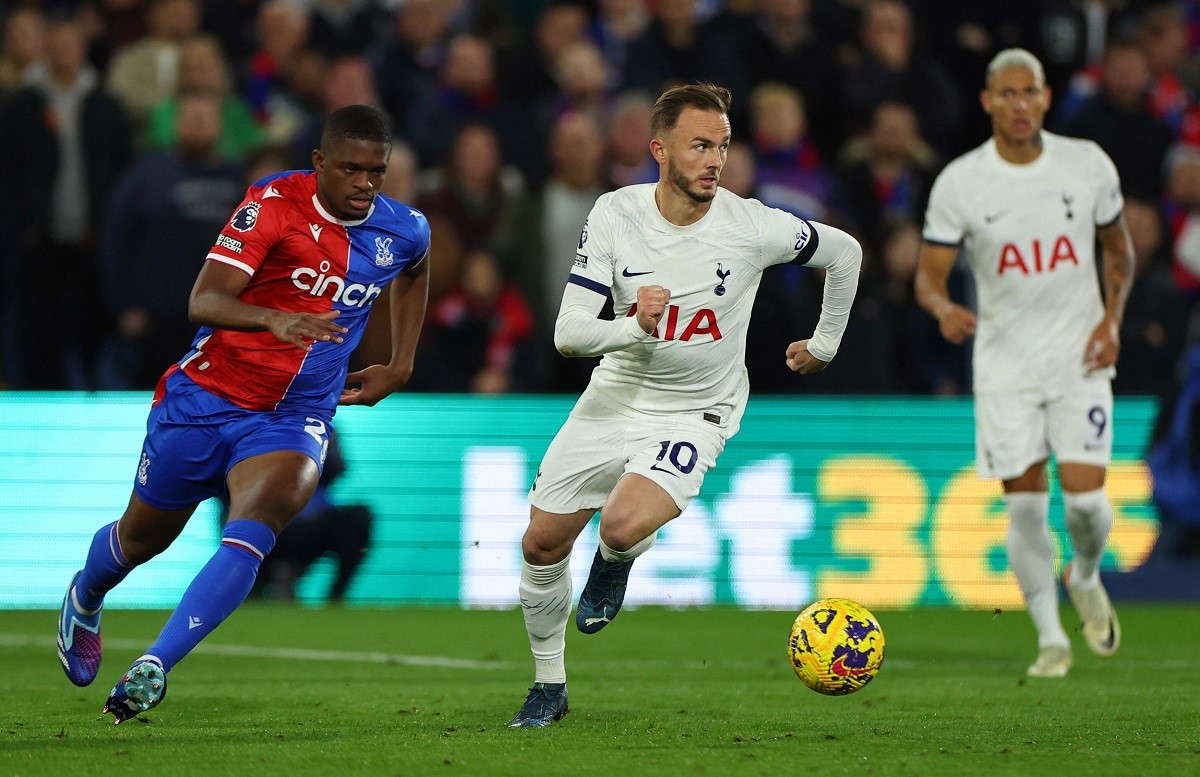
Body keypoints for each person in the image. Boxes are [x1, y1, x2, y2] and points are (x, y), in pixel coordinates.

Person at [55, 105, 431, 723]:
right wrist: (274, 317)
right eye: (351, 169)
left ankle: (155, 665)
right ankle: (86, 593)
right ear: (319, 164)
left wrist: (401, 363)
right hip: (206, 399)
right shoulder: (271, 206)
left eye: (377, 171)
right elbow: (203, 298)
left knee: (258, 523)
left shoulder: (404, 229)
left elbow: (415, 271)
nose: (365, 183)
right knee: (141, 540)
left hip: (295, 417)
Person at [508, 82, 862, 728]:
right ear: (659, 150)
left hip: (697, 410)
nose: (715, 160)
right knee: (539, 543)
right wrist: (632, 328)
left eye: (723, 145)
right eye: (700, 145)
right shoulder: (616, 214)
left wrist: (825, 341)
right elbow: (568, 334)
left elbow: (845, 253)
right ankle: (548, 685)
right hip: (614, 395)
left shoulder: (752, 224)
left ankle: (614, 564)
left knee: (618, 526)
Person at [915, 49, 1134, 679]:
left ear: (1044, 97)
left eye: (1029, 92)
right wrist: (943, 308)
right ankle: (1050, 639)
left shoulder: (1086, 164)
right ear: (987, 101)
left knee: (1088, 508)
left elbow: (1118, 253)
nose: (1019, 104)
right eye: (1006, 94)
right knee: (1025, 510)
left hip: (1080, 357)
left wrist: (1111, 320)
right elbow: (928, 279)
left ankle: (1086, 574)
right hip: (1006, 365)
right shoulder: (961, 181)